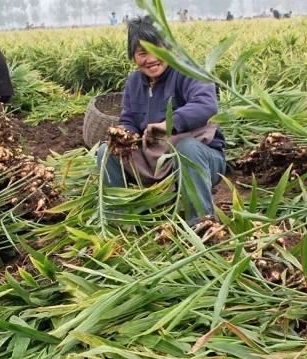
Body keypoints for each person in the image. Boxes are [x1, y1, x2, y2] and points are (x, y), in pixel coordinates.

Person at [96, 16, 225, 226]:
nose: (151, 59)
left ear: (169, 49)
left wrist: (168, 124)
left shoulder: (187, 71)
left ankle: (201, 223)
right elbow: (128, 118)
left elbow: (206, 105)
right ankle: (119, 222)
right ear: (133, 56)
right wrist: (125, 133)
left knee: (187, 149)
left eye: (158, 49)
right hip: (153, 159)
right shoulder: (134, 82)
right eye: (143, 53)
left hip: (201, 158)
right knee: (106, 152)